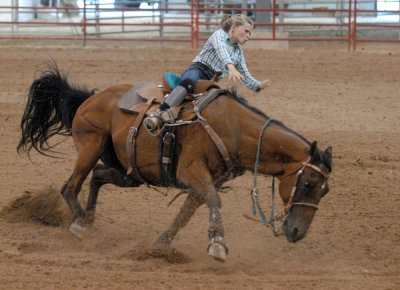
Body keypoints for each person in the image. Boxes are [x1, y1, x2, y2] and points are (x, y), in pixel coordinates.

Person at [144, 14, 271, 132]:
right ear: (233, 28)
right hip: (198, 70)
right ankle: (159, 114)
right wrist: (231, 67)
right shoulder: (219, 35)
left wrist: (258, 85)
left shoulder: (238, 52)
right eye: (246, 31)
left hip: (211, 82)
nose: (249, 36)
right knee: (189, 82)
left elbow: (245, 74)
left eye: (250, 33)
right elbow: (222, 51)